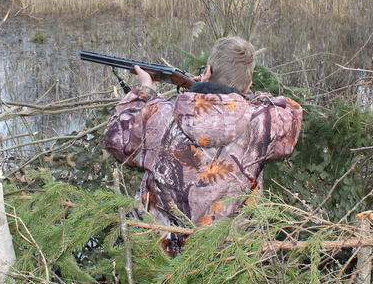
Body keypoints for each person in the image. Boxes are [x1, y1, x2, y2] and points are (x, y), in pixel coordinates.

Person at [105, 36, 303, 257]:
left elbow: (115, 138)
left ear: (207, 71)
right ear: (248, 84)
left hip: (160, 253)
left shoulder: (158, 114)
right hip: (231, 254)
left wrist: (144, 91)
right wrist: (239, 93)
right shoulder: (264, 121)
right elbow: (292, 111)